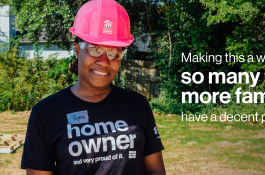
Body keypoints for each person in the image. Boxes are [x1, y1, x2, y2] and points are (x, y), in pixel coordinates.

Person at [21, 0, 166, 174]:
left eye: (113, 52)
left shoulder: (138, 105)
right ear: (77, 49)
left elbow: (155, 169)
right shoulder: (45, 113)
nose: (104, 62)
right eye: (94, 49)